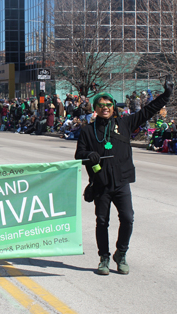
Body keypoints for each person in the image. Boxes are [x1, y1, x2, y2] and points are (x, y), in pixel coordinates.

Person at [75, 75, 173, 276]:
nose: (105, 107)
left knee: (128, 218)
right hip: (101, 183)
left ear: (113, 106)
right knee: (102, 221)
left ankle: (121, 253)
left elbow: (148, 110)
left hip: (121, 182)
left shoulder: (125, 123)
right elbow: (79, 155)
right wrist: (89, 155)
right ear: (95, 108)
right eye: (101, 104)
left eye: (108, 104)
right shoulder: (87, 131)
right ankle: (103, 257)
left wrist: (166, 95)